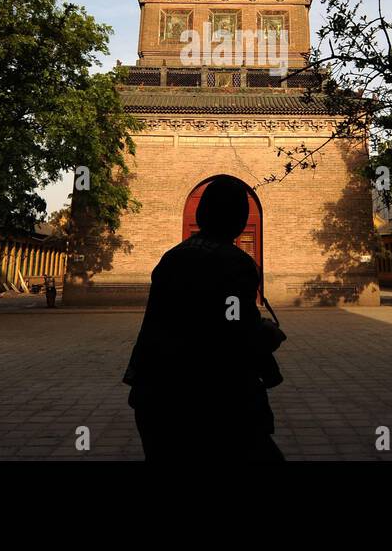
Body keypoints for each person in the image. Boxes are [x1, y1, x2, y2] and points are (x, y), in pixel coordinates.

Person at [123, 175, 287, 461]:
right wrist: (268, 338)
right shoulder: (234, 262)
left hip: (156, 395)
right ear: (239, 220)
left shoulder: (171, 257)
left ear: (201, 214)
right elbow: (237, 331)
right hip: (215, 401)